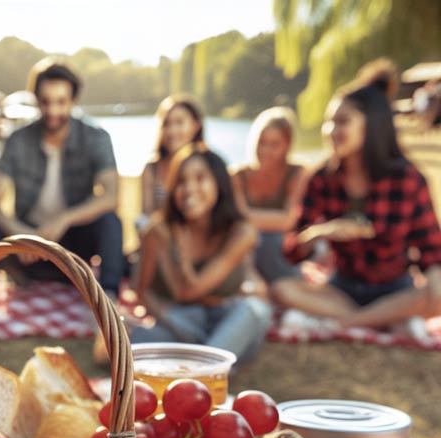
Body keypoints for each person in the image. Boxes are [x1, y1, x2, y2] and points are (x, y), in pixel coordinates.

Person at [273, 60, 441, 337]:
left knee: (437, 293)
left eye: (342, 122)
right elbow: (292, 249)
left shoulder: (408, 179)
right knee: (281, 289)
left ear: (371, 126)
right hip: (341, 288)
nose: (330, 131)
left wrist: (435, 284)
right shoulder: (321, 178)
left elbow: (432, 250)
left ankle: (348, 322)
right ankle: (370, 320)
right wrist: (322, 233)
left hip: (395, 289)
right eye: (329, 123)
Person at [0, 58, 125, 338]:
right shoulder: (18, 140)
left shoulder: (96, 138)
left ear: (73, 100)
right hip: (28, 246)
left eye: (61, 101)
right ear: (37, 101)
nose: (53, 110)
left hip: (75, 246)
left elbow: (111, 197)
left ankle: (107, 305)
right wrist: (24, 235)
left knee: (111, 222)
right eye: (46, 101)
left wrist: (65, 219)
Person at [131, 144, 271, 363]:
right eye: (181, 181)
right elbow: (142, 289)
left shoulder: (241, 232)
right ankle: (209, 365)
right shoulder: (158, 230)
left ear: (219, 183)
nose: (189, 189)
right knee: (132, 340)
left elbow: (191, 290)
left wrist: (183, 255)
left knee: (253, 310)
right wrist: (168, 318)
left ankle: (203, 368)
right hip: (182, 322)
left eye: (200, 178)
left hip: (228, 319)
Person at [231, 107, 306, 284]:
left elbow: (289, 220)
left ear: (287, 145)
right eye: (262, 142)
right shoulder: (237, 175)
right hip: (245, 246)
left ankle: (285, 286)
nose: (265, 150)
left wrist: (247, 218)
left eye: (274, 144)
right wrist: (274, 221)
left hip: (279, 248)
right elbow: (235, 218)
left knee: (273, 241)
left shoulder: (297, 173)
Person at [138, 94, 204, 229]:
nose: (172, 131)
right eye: (166, 123)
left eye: (179, 122)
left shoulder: (209, 166)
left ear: (196, 126)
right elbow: (146, 216)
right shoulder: (151, 169)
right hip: (161, 238)